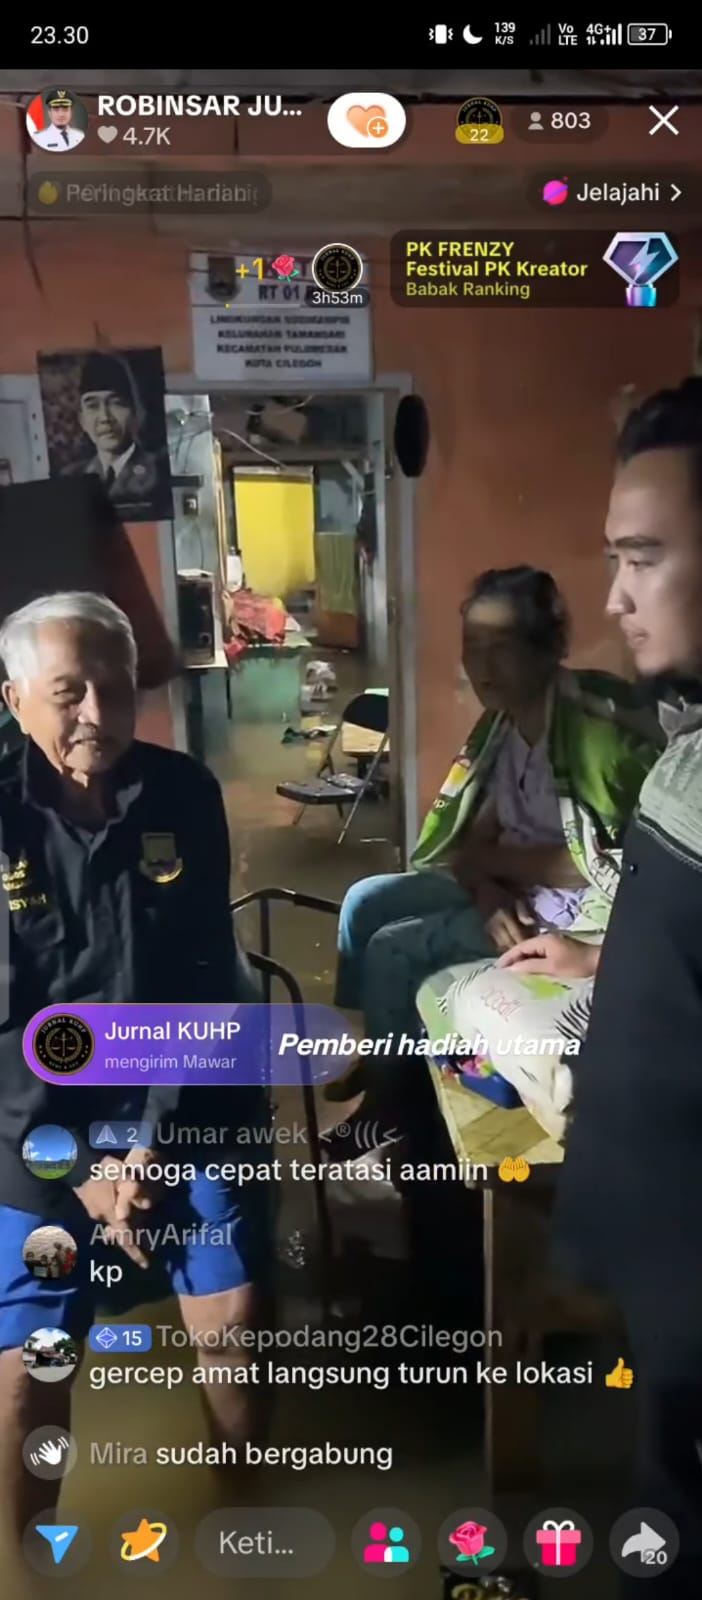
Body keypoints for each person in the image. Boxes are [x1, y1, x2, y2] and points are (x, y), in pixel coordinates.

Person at [0, 591, 269, 1560]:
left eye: (117, 688)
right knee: (28, 1372)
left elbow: (200, 978)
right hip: (31, 1122)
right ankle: (31, 1560)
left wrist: (152, 1145)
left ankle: (250, 1541)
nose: (99, 714)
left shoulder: (183, 794)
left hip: (185, 1098)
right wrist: (80, 1167)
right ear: (14, 698)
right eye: (69, 692)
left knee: (236, 1329)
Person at [538, 377, 702, 1599]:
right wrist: (610, 960)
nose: (613, 598)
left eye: (644, 557)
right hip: (665, 1288)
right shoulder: (686, 747)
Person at [333, 566, 659, 1074]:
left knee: (391, 950)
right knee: (363, 901)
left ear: (549, 648)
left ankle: (392, 1095)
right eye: (473, 646)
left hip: (571, 912)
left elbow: (610, 866)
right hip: (514, 890)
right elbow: (471, 846)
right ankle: (379, 1043)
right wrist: (487, 893)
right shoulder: (503, 725)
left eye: (501, 647)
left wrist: (493, 865)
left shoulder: (600, 734)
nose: (482, 667)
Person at [61, 352, 160, 503]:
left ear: (135, 412)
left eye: (116, 403)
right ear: (82, 420)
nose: (105, 418)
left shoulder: (158, 473)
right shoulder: (71, 478)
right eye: (92, 406)